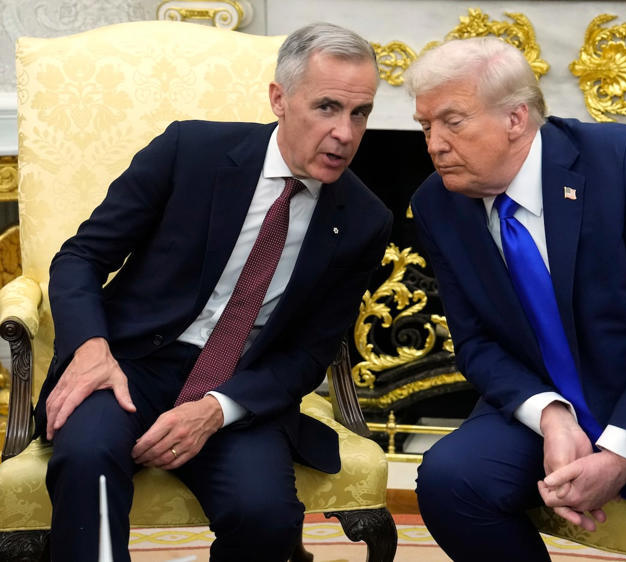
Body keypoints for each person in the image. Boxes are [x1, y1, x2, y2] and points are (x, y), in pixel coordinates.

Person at [36, 22, 392, 562]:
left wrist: (218, 408)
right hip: (131, 364)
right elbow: (80, 258)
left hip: (240, 387)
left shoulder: (365, 219)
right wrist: (90, 348)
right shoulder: (191, 151)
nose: (345, 132)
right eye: (326, 107)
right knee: (86, 460)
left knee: (266, 516)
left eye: (359, 112)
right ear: (279, 98)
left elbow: (308, 354)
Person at [405, 37, 626, 562]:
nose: (434, 143)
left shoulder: (624, 160)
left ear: (516, 118)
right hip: (562, 389)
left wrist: (621, 448)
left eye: (452, 122)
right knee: (451, 481)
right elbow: (477, 343)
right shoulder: (438, 202)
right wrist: (552, 416)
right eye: (424, 127)